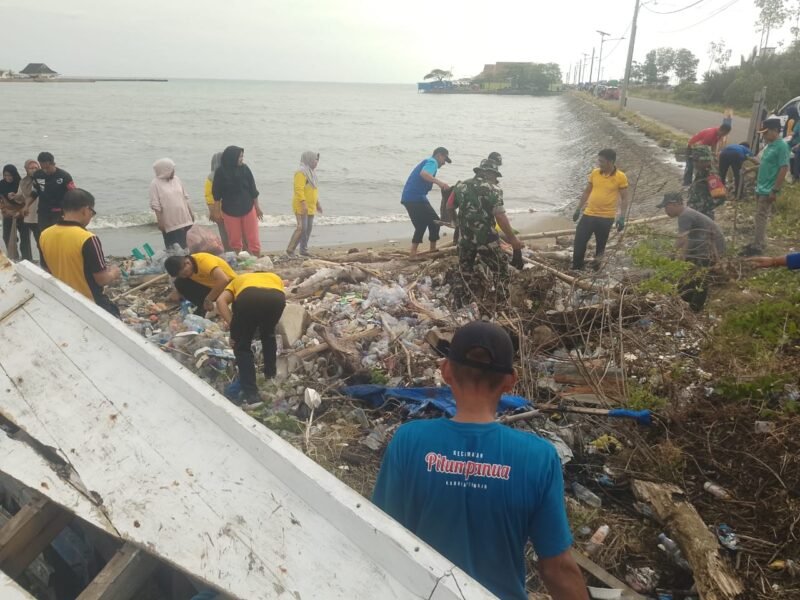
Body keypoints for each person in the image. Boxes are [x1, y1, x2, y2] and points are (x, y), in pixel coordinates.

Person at [373, 321, 587, 600]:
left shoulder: (408, 441)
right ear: (511, 381)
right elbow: (557, 569)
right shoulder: (538, 458)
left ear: (446, 370)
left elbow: (380, 535)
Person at [39, 189, 121, 317]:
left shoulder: (45, 235)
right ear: (85, 210)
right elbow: (101, 279)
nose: (90, 216)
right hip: (89, 302)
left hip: (63, 300)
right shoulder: (88, 238)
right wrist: (113, 273)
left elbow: (46, 269)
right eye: (92, 212)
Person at [453, 160, 523, 297]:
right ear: (489, 173)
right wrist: (513, 239)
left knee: (464, 271)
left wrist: (457, 224)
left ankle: (460, 301)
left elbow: (449, 206)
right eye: (495, 175)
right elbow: (500, 217)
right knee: (501, 270)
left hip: (465, 239)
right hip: (486, 239)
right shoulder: (494, 190)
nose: (496, 179)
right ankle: (500, 303)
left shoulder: (461, 186)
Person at [215, 272, 286, 404]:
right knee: (268, 335)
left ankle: (251, 394)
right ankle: (270, 375)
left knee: (241, 347)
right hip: (277, 299)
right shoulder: (274, 276)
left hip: (248, 298)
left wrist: (234, 327)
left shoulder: (238, 279)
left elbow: (220, 301)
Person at [658, 192, 725, 311]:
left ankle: (695, 308)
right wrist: (682, 258)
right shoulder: (687, 213)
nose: (666, 211)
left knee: (701, 277)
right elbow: (688, 240)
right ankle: (685, 298)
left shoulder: (685, 215)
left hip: (710, 248)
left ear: (673, 204)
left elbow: (681, 239)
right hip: (703, 245)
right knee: (688, 271)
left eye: (666, 207)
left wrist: (670, 255)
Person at [572, 149, 629, 270]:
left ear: (610, 162)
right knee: (579, 241)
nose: (599, 163)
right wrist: (578, 209)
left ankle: (596, 268)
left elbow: (624, 198)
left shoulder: (621, 177)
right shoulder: (595, 173)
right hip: (589, 214)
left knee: (601, 245)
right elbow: (587, 191)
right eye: (599, 160)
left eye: (601, 161)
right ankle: (577, 267)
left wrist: (622, 217)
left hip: (606, 217)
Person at [742, 117, 791, 256]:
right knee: (759, 216)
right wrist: (750, 170)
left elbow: (783, 168)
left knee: (761, 216)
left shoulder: (782, 146)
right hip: (760, 186)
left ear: (775, 130)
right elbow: (765, 164)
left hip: (768, 189)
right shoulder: (770, 145)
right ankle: (759, 242)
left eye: (766, 132)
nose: (763, 135)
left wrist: (775, 190)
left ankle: (757, 246)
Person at [212, 146, 263, 256]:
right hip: (229, 210)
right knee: (235, 240)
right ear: (232, 158)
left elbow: (253, 190)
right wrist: (216, 211)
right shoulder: (221, 172)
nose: (242, 159)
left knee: (253, 239)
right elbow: (216, 194)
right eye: (240, 157)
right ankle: (239, 260)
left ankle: (257, 260)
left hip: (248, 208)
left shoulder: (245, 169)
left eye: (242, 156)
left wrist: (257, 208)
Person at [401, 147, 451, 257]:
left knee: (421, 225)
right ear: (439, 155)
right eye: (444, 160)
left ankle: (413, 254)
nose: (444, 163)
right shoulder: (432, 162)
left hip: (407, 198)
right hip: (416, 197)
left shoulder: (428, 162)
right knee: (435, 222)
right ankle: (432, 251)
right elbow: (423, 174)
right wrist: (440, 183)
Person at [164, 253, 237, 317]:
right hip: (213, 288)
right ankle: (204, 308)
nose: (185, 276)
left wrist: (208, 299)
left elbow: (224, 280)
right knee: (179, 283)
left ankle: (210, 306)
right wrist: (175, 292)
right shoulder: (188, 268)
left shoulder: (204, 261)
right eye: (182, 275)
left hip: (230, 287)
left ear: (187, 263)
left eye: (185, 273)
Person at [149, 158, 194, 250]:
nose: (174, 171)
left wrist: (191, 213)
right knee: (175, 249)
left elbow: (185, 197)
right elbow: (155, 205)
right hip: (170, 223)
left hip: (185, 219)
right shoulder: (155, 184)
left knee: (189, 247)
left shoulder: (177, 179)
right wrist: (160, 221)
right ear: (164, 170)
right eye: (171, 169)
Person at [287, 151, 323, 256]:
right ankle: (290, 250)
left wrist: (317, 203)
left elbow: (313, 191)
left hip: (310, 206)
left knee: (308, 229)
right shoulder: (301, 172)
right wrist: (303, 203)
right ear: (309, 159)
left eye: (317, 160)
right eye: (315, 160)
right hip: (301, 205)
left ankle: (303, 250)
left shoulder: (311, 173)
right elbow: (298, 189)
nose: (316, 162)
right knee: (301, 228)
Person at [32, 152, 75, 232]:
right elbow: (34, 193)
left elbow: (73, 193)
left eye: (47, 168)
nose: (45, 170)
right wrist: (26, 206)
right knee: (44, 235)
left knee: (58, 235)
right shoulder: (37, 175)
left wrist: (72, 211)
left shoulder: (64, 176)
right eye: (43, 168)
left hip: (59, 211)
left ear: (52, 163)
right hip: (43, 211)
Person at [687, 145, 727, 219]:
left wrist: (700, 207)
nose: (694, 163)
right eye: (693, 160)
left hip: (703, 216)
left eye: (696, 161)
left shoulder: (711, 177)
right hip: (696, 214)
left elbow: (721, 198)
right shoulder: (701, 171)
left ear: (705, 161)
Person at [204, 152, 230, 251]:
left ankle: (229, 252)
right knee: (231, 234)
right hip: (227, 210)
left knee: (224, 234)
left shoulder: (210, 177)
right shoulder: (223, 175)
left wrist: (212, 212)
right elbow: (210, 196)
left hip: (220, 210)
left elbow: (208, 197)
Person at [17, 159, 41, 262]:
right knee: (25, 239)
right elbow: (20, 196)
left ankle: (44, 261)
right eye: (31, 168)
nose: (34, 170)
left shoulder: (42, 180)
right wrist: (15, 196)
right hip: (26, 214)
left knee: (40, 240)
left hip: (39, 215)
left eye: (36, 168)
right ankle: (27, 260)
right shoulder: (23, 182)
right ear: (26, 169)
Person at [0, 164, 22, 257]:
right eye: (5, 175)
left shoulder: (20, 183)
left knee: (24, 238)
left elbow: (27, 199)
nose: (7, 177)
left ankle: (27, 258)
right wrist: (4, 209)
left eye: (9, 175)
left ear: (14, 174)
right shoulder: (1, 184)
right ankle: (13, 256)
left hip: (21, 213)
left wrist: (16, 196)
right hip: (7, 212)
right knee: (7, 237)